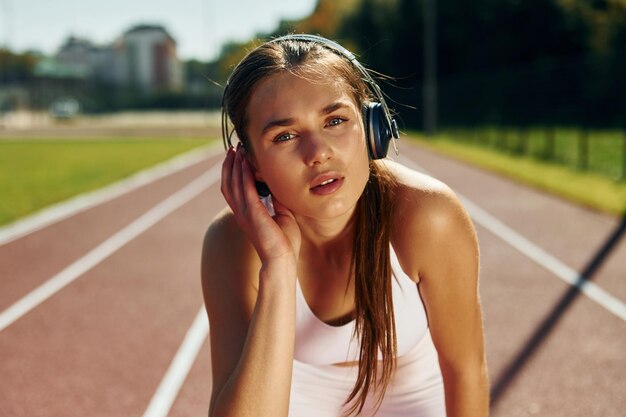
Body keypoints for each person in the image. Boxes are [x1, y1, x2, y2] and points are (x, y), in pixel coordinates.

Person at [201, 34, 489, 417]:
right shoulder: (231, 243)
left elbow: (466, 370)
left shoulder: (428, 217)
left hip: (415, 398)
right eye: (284, 135)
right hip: (295, 399)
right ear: (250, 163)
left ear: (373, 129)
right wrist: (278, 263)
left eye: (335, 120)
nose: (318, 153)